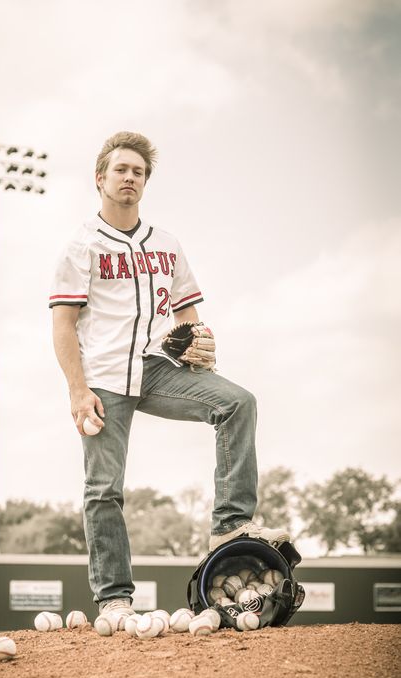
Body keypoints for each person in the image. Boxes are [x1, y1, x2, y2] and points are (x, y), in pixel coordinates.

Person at [50, 131, 289, 619]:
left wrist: (199, 345)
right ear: (100, 178)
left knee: (237, 402)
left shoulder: (167, 243)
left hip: (159, 368)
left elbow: (189, 316)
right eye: (121, 169)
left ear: (145, 183)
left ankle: (230, 525)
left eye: (138, 172)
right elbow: (63, 322)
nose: (130, 178)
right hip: (104, 377)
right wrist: (77, 390)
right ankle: (114, 599)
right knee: (103, 489)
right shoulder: (82, 245)